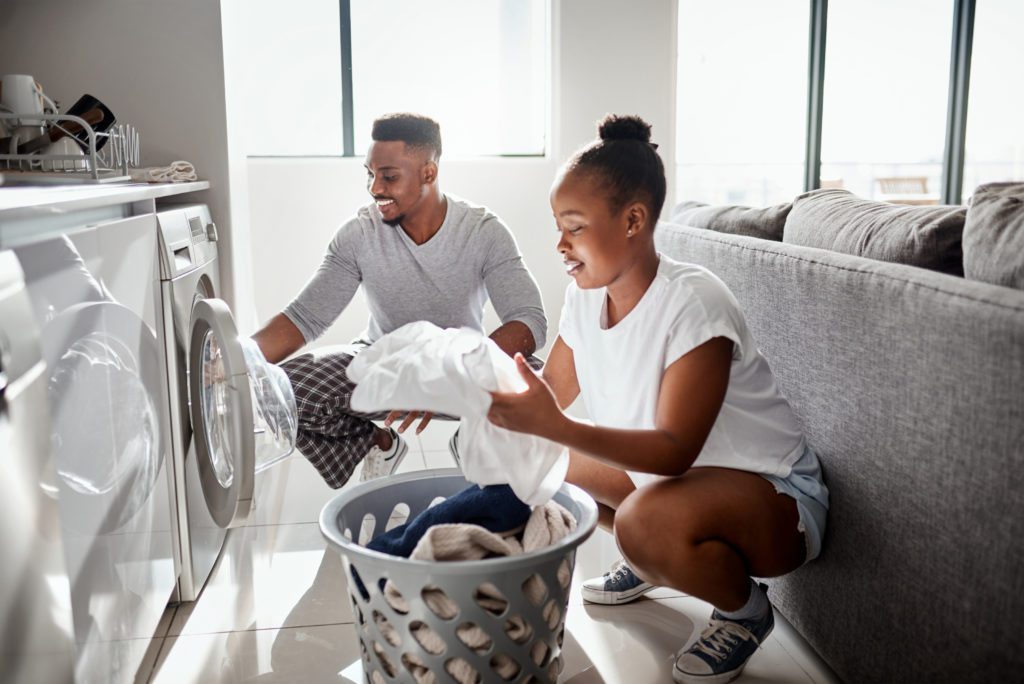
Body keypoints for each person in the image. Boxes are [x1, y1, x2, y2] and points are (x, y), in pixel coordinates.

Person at [486, 114, 829, 683]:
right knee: (534, 458)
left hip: (776, 499)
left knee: (640, 524)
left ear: (633, 221)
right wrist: (472, 394)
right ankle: (658, 561)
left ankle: (744, 613)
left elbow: (673, 450)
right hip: (676, 487)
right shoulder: (583, 297)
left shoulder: (693, 304)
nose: (560, 245)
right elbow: (553, 392)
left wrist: (555, 427)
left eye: (573, 227)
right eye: (557, 226)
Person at [253, 113, 546, 487]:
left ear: (428, 173)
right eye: (370, 174)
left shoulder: (483, 231)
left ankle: (474, 438)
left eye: (389, 176)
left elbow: (529, 321)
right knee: (284, 388)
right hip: (383, 362)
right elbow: (304, 318)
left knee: (540, 381)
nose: (375, 188)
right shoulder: (359, 234)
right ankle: (379, 444)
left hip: (461, 368)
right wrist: (240, 356)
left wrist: (445, 373)